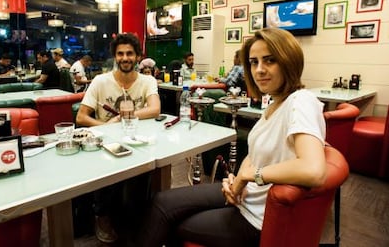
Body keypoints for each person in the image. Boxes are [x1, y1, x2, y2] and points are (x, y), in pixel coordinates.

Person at [135, 28, 327, 247]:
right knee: (162, 201)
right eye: (254, 62)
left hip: (256, 218)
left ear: (289, 61)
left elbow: (314, 170)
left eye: (270, 60)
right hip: (247, 196)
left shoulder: (301, 101)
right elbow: (256, 154)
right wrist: (235, 180)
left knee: (170, 220)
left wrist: (248, 176)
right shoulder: (275, 103)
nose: (259, 70)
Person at [76, 33, 161, 244]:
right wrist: (106, 127)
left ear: (138, 56)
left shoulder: (147, 80)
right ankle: (102, 216)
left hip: (138, 142)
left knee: (146, 172)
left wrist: (124, 117)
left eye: (130, 54)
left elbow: (156, 109)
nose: (125, 58)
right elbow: (81, 117)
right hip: (106, 144)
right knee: (106, 174)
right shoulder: (100, 81)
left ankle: (141, 217)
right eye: (120, 54)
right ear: (115, 56)